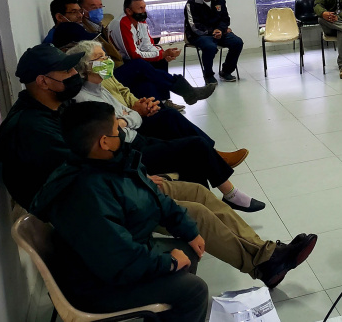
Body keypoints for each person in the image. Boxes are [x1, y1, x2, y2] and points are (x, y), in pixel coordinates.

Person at [0, 44, 317, 288]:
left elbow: (101, 156)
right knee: (197, 212)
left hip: (108, 184)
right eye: (66, 73)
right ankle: (263, 262)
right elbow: (78, 180)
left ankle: (266, 254)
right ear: (43, 81)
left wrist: (136, 174)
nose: (74, 76)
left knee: (195, 191)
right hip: (89, 208)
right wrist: (136, 181)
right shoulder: (32, 129)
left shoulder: (56, 107)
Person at [31, 101, 210, 322]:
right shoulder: (84, 194)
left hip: (119, 260)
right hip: (98, 286)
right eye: (117, 129)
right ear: (104, 142)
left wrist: (187, 228)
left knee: (188, 250)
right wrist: (169, 263)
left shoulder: (112, 163)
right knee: (194, 290)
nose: (122, 133)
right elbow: (118, 261)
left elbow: (152, 195)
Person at [68, 41, 264, 213]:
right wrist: (130, 117)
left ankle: (211, 205)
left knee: (188, 150)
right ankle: (230, 195)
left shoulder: (100, 86)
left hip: (136, 138)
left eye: (105, 55)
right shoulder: (84, 98)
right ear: (86, 67)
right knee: (194, 146)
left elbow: (130, 118)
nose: (108, 60)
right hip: (129, 151)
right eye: (101, 57)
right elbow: (120, 129)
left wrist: (129, 117)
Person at [68, 39, 247, 168]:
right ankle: (210, 151)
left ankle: (212, 153)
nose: (107, 60)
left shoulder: (103, 77)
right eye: (101, 57)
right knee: (142, 68)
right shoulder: (89, 91)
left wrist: (141, 103)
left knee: (157, 99)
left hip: (130, 113)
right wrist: (135, 110)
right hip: (128, 129)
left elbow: (123, 90)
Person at [110, 0, 215, 111]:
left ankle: (165, 101)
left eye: (144, 7)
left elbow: (147, 45)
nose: (144, 11)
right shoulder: (122, 23)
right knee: (145, 62)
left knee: (161, 59)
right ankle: (189, 91)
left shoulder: (140, 20)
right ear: (128, 11)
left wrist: (163, 53)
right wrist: (161, 54)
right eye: (140, 8)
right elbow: (132, 55)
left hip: (135, 59)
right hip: (123, 63)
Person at [185, 0, 244, 84]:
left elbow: (225, 18)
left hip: (219, 32)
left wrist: (220, 30)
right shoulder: (192, 3)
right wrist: (212, 32)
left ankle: (226, 71)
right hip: (199, 35)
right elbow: (194, 25)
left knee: (237, 42)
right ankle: (208, 75)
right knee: (210, 46)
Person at [78, 0, 123, 66]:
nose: (99, 10)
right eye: (94, 8)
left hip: (116, 62)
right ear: (82, 11)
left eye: (100, 7)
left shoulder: (101, 26)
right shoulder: (83, 30)